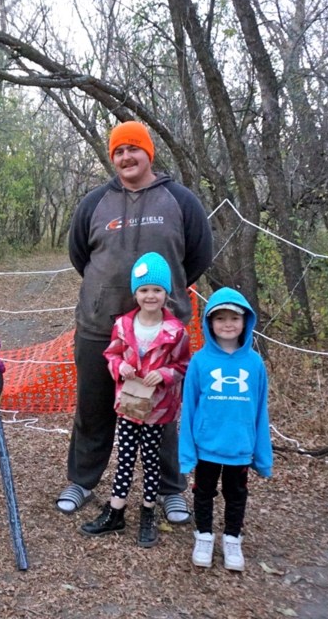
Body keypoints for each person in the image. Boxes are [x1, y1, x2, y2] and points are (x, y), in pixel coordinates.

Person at [56, 120, 213, 523]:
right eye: (118, 152)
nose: (126, 157)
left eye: (133, 149)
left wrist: (162, 302)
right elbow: (80, 257)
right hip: (99, 326)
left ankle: (169, 488)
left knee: (161, 409)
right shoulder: (94, 203)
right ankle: (82, 480)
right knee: (92, 408)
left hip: (161, 335)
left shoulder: (180, 201)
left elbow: (196, 257)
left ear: (149, 152)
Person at [79, 253, 190, 547]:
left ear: (166, 293)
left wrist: (165, 374)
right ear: (135, 293)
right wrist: (120, 367)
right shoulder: (123, 325)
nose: (150, 296)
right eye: (144, 290)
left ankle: (148, 513)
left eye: (157, 289)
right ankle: (115, 512)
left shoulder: (175, 331)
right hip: (128, 405)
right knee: (125, 458)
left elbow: (183, 365)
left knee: (151, 461)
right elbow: (111, 354)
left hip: (157, 409)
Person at [179, 287, 272, 571]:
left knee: (236, 494)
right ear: (209, 323)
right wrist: (186, 452)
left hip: (240, 449)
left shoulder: (254, 363)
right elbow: (189, 408)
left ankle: (232, 539)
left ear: (246, 321)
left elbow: (260, 411)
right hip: (207, 445)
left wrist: (262, 456)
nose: (228, 324)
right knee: (203, 492)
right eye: (220, 318)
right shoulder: (200, 361)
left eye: (234, 318)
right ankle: (204, 536)